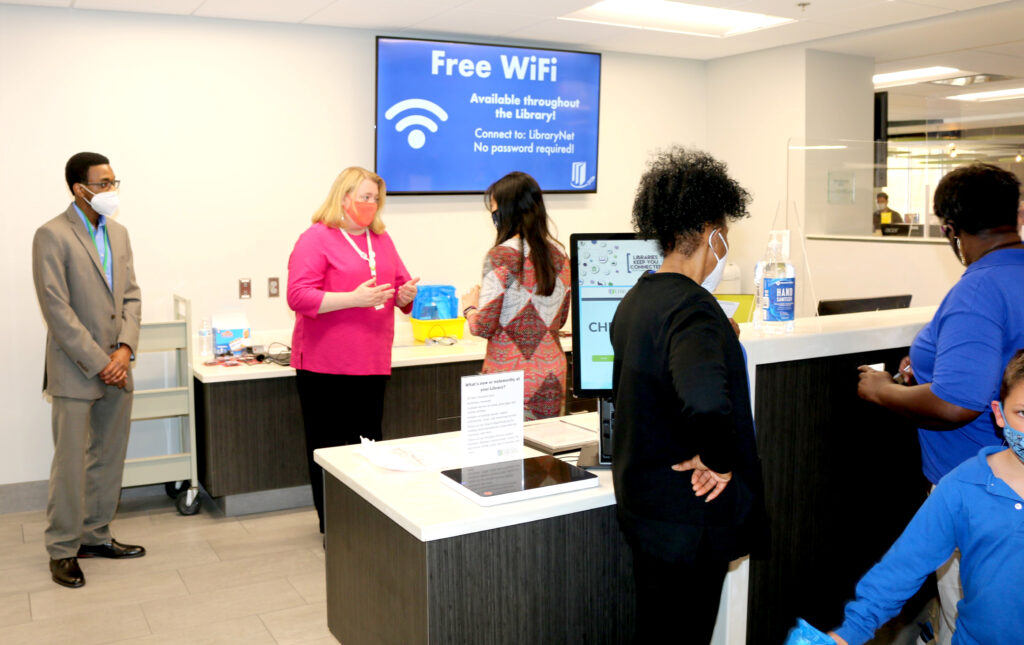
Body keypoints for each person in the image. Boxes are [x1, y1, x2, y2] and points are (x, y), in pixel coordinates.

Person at [857, 163, 1024, 644]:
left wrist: (881, 389)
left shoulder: (979, 289)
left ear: (951, 230)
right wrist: (931, 366)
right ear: (1015, 215)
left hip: (980, 489)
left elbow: (956, 404)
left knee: (970, 620)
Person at [610, 147, 768, 643]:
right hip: (689, 520)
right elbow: (704, 401)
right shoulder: (695, 309)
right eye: (725, 233)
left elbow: (662, 376)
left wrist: (720, 338)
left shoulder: (638, 299)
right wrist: (719, 460)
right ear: (710, 231)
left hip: (647, 511)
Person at [823, 350, 1024, 645]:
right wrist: (847, 634)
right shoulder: (962, 487)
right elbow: (903, 568)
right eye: (1023, 413)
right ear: (999, 413)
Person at [31, 152, 145, 589]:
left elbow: (131, 295)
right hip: (76, 368)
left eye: (114, 182)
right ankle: (62, 549)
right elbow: (56, 309)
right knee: (70, 463)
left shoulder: (119, 233)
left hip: (118, 364)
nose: (111, 190)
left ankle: (95, 536)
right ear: (79, 189)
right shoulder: (52, 235)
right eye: (103, 183)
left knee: (108, 455)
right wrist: (101, 362)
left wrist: (125, 349)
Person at [287, 166, 418, 534]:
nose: (371, 204)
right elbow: (298, 296)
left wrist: (406, 296)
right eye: (364, 197)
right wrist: (352, 298)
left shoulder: (381, 240)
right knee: (329, 450)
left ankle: (365, 527)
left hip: (371, 363)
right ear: (343, 198)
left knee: (369, 448)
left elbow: (400, 289)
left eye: (376, 198)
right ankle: (333, 528)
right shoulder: (316, 238)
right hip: (324, 365)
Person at [461, 171, 571, 420]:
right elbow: (560, 319)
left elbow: (483, 327)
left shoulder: (500, 256)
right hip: (551, 374)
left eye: (494, 209)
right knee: (547, 444)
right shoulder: (561, 256)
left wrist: (470, 308)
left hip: (507, 378)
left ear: (506, 211)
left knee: (504, 447)